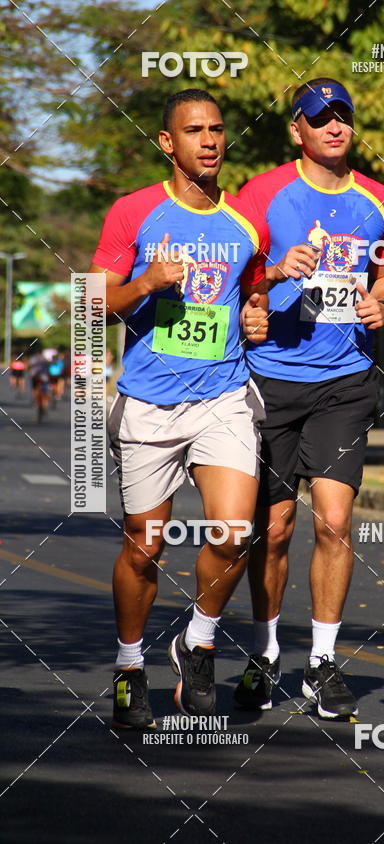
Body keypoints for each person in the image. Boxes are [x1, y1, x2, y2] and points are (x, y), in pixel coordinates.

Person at [88, 88, 270, 728]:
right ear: (169, 143)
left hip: (222, 394)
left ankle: (197, 639)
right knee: (145, 547)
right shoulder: (133, 212)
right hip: (148, 401)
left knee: (233, 530)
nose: (210, 140)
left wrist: (256, 313)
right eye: (194, 130)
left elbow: (254, 287)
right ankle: (130, 664)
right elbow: (93, 303)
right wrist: (146, 284)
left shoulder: (247, 220)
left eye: (217, 129)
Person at [233, 78, 384, 719]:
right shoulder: (262, 194)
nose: (334, 127)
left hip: (346, 382)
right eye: (319, 118)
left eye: (342, 117)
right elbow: (236, 268)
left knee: (334, 521)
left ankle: (323, 663)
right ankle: (265, 651)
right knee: (271, 531)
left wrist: (380, 303)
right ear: (296, 130)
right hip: (272, 376)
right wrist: (261, 291)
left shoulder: (378, 201)